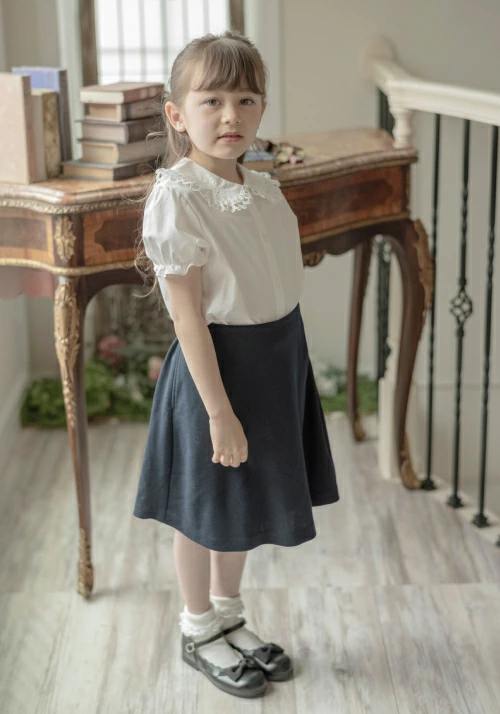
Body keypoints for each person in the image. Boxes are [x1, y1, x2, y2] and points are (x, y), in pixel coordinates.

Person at [132, 30, 340, 699]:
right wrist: (218, 413)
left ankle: (227, 614)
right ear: (177, 114)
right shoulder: (178, 196)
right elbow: (188, 318)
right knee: (204, 506)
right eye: (212, 100)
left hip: (274, 361)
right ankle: (197, 627)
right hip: (215, 372)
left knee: (241, 501)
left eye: (246, 100)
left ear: (262, 108)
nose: (231, 115)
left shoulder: (264, 187)